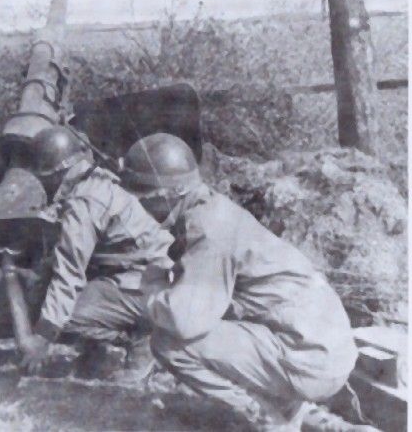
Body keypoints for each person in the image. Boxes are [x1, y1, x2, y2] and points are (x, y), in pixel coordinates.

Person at [121, 133, 361, 430]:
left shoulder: (209, 228)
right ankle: (297, 412)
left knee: (169, 343)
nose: (142, 208)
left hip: (312, 357)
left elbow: (183, 321)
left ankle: (265, 419)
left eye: (147, 198)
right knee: (223, 325)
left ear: (175, 192)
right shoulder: (212, 208)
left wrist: (154, 278)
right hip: (324, 347)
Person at [18, 126, 174, 379]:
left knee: (57, 317)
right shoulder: (95, 179)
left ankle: (144, 339)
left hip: (149, 284)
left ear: (58, 172)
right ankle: (98, 347)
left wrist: (43, 337)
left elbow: (69, 275)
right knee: (54, 296)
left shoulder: (84, 202)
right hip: (152, 275)